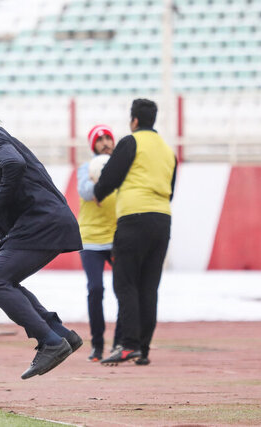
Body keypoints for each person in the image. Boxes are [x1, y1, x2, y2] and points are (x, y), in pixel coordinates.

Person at [0, 90, 83, 380]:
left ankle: (50, 341)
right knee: (4, 280)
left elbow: (13, 164)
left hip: (42, 222)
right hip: (42, 221)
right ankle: (60, 335)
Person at [93, 99, 177, 366]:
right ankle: (143, 348)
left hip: (133, 219)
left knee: (125, 283)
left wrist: (99, 192)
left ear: (134, 121)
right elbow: (171, 187)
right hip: (162, 220)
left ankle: (128, 345)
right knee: (149, 286)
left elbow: (111, 175)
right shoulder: (167, 150)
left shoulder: (131, 142)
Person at [77, 124, 122, 362]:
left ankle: (120, 344)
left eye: (108, 138)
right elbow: (86, 192)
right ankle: (97, 345)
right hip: (91, 239)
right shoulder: (86, 167)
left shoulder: (124, 168)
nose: (105, 142)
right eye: (99, 139)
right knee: (95, 290)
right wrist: (104, 178)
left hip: (117, 238)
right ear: (93, 145)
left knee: (123, 290)